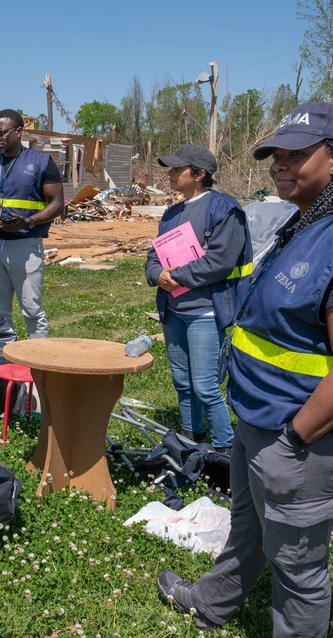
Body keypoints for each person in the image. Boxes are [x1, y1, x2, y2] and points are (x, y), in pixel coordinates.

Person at [157, 102, 333, 636]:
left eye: (297, 154)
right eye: (275, 156)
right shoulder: (306, 225)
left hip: (304, 437)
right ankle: (213, 602)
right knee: (247, 528)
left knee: (297, 568)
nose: (280, 165)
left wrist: (294, 439)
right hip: (259, 419)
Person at [144, 145, 252, 452]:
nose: (171, 173)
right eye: (171, 169)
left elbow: (220, 261)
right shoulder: (171, 213)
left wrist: (175, 277)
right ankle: (193, 436)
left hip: (205, 310)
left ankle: (224, 448)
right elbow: (154, 255)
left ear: (200, 174)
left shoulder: (224, 208)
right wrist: (157, 275)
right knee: (181, 379)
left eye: (178, 169)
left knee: (205, 386)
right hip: (173, 309)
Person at [0, 109, 64, 338]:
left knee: (31, 309)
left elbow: (57, 203)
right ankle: (3, 361)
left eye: (2, 133)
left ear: (19, 131)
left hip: (25, 245)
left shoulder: (42, 163)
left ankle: (39, 365)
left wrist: (29, 221)